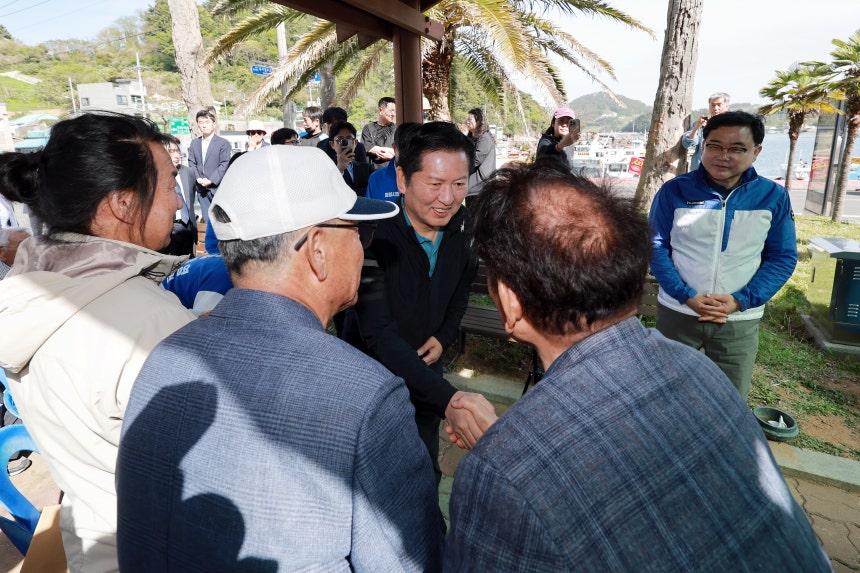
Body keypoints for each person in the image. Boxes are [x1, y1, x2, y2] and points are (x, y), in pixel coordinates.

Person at [444, 160, 830, 572]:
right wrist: (519, 447)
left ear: (509, 301)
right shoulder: (701, 372)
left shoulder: (501, 471)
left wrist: (511, 452)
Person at [116, 146, 443, 572]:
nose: (366, 250)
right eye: (359, 234)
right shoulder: (364, 397)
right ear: (318, 249)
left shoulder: (167, 358)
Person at [0, 112, 194, 572]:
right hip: (161, 551)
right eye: (169, 186)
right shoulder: (150, 323)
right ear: (123, 204)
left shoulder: (32, 293)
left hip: (88, 545)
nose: (179, 203)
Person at [343, 121, 497, 499]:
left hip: (428, 368)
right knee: (367, 477)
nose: (447, 198)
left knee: (424, 471)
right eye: (435, 184)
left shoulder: (466, 230)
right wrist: (449, 400)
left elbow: (460, 293)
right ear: (402, 177)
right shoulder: (372, 235)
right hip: (370, 375)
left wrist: (444, 338)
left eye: (459, 184)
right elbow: (376, 333)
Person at [650, 111, 797, 398]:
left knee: (728, 401)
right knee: (664, 395)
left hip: (738, 320)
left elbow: (782, 257)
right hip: (678, 312)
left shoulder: (773, 196)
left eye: (737, 149)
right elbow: (656, 247)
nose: (723, 155)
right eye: (714, 146)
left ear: (756, 152)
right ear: (703, 146)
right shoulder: (674, 191)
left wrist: (741, 301)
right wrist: (685, 295)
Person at [187, 109, 232, 223]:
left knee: (221, 221)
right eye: (200, 122)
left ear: (214, 124)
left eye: (206, 122)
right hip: (201, 189)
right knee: (208, 221)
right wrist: (198, 178)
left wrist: (211, 180)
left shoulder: (223, 143)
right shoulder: (195, 143)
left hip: (217, 188)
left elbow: (224, 163)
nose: (203, 125)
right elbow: (192, 162)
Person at [160, 135, 198, 257]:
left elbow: (190, 199)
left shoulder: (188, 173)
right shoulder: (156, 175)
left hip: (187, 228)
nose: (177, 156)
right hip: (168, 229)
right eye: (171, 152)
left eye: (177, 151)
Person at [365, 122, 420, 203]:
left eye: (416, 149)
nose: (409, 154)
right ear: (394, 148)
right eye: (404, 148)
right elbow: (369, 212)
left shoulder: (431, 177)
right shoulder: (376, 178)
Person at [682, 92, 730, 171]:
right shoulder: (701, 123)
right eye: (713, 105)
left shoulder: (734, 126)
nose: (715, 108)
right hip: (701, 170)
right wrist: (697, 127)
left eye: (719, 105)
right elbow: (688, 144)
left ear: (727, 106)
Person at [329, 121, 371, 196]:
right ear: (332, 144)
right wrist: (339, 169)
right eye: (339, 139)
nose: (344, 142)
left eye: (349, 139)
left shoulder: (366, 169)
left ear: (355, 143)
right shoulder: (325, 168)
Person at [465, 107, 496, 206]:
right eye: (467, 120)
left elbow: (476, 160)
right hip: (472, 185)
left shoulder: (485, 138)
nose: (467, 122)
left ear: (478, 121)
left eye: (470, 119)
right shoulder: (470, 137)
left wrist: (457, 166)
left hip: (480, 186)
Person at [361, 96, 396, 171]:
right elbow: (368, 147)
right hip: (373, 171)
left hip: (393, 171)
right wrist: (392, 152)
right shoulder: (368, 128)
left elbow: (402, 151)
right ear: (380, 110)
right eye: (391, 111)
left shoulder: (397, 129)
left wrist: (392, 156)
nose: (393, 114)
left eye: (395, 111)